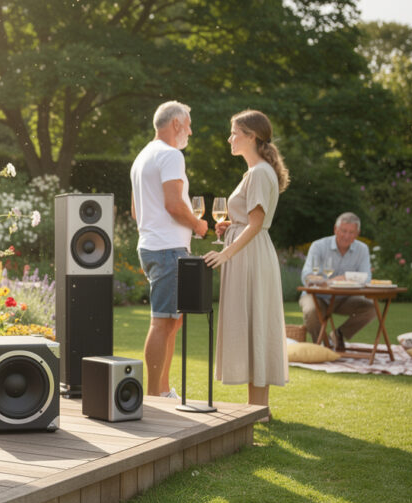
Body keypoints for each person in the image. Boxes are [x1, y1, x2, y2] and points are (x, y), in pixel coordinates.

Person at [203, 110, 289, 411]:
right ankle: (256, 407)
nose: (230, 139)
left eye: (234, 133)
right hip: (249, 252)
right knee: (252, 322)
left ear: (251, 136)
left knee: (256, 322)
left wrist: (225, 252)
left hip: (249, 256)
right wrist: (231, 226)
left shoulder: (259, 172)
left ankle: (259, 408)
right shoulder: (256, 172)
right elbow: (250, 221)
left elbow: (256, 224)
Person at [131, 101, 209, 397]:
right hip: (167, 250)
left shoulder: (142, 157)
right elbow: (174, 205)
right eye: (188, 125)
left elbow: (136, 212)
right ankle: (154, 396)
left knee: (172, 322)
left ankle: (162, 391)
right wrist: (198, 225)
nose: (190, 131)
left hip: (153, 247)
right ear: (176, 123)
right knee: (162, 322)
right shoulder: (171, 155)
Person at [298, 212, 374, 350]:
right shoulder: (318, 246)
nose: (347, 236)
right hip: (317, 296)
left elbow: (367, 278)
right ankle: (321, 346)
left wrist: (346, 278)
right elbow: (307, 276)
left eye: (351, 232)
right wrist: (328, 282)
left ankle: (338, 334)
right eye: (343, 231)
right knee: (311, 310)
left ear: (357, 233)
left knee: (371, 309)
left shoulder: (362, 249)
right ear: (335, 229)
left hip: (344, 299)